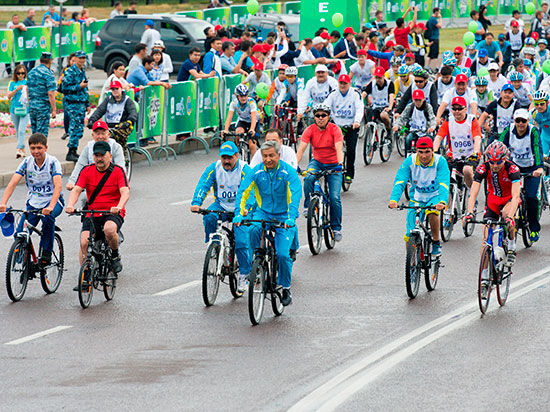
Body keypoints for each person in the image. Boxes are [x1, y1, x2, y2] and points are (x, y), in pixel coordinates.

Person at [233, 140, 302, 306]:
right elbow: (243, 192)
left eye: (271, 155)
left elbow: (295, 195)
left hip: (284, 215)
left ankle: (285, 287)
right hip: (263, 212)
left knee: (283, 255)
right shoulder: (256, 172)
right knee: (251, 230)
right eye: (265, 156)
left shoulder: (288, 172)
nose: (268, 159)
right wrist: (238, 215)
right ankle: (257, 259)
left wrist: (291, 217)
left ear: (278, 155)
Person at [191, 141, 252, 292]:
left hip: (241, 209)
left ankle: (244, 275)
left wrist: (244, 209)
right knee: (210, 215)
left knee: (242, 242)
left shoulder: (245, 169)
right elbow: (203, 184)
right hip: (222, 206)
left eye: (229, 158)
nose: (226, 161)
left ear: (237, 156)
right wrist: (196, 202)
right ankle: (214, 245)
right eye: (223, 157)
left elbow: (250, 191)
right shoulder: (214, 168)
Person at [66, 141, 129, 275]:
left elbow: (125, 192)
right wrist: (70, 205)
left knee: (110, 229)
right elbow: (77, 190)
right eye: (96, 155)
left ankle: (115, 255)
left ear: (110, 156)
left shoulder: (118, 171)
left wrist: (119, 206)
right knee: (84, 242)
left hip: (112, 211)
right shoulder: (87, 170)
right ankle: (86, 275)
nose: (99, 158)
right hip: (93, 212)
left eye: (102, 155)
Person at [0, 133, 63, 266]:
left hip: (53, 201)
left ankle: (46, 253)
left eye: (39, 148)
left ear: (46, 147)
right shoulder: (26, 162)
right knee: (20, 233)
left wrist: (51, 206)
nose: (36, 151)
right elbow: (12, 183)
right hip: (33, 203)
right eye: (33, 148)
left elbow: (58, 185)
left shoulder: (52, 162)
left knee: (48, 219)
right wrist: (3, 203)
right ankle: (25, 262)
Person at [464, 141, 521, 280]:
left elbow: (516, 196)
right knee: (485, 240)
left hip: (509, 200)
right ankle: (484, 278)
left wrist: (510, 217)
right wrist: (469, 213)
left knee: (507, 214)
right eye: (492, 162)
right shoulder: (483, 168)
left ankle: (512, 245)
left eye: (498, 162)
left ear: (504, 159)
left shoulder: (512, 169)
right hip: (493, 201)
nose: (495, 166)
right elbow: (473, 193)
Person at [389, 137, 450, 257]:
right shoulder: (409, 161)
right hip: (417, 197)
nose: (423, 156)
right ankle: (412, 264)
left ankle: (436, 242)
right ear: (416, 151)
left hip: (435, 196)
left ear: (432, 150)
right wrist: (394, 199)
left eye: (427, 151)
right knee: (409, 235)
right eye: (420, 152)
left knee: (432, 213)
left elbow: (444, 183)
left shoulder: (440, 161)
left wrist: (443, 201)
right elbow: (400, 181)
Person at [296, 104, 344, 240]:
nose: (320, 118)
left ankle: (336, 228)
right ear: (314, 117)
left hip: (334, 164)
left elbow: (339, 148)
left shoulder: (335, 130)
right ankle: (308, 206)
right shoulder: (309, 130)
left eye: (323, 115)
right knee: (309, 177)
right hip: (317, 162)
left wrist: (340, 164)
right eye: (317, 115)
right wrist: (294, 165)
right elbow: (301, 149)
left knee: (334, 197)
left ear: (329, 117)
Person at [498, 109, 544, 242]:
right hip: (514, 167)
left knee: (531, 197)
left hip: (531, 168)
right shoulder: (508, 130)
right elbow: (500, 145)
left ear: (528, 121)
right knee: (509, 196)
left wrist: (539, 167)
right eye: (518, 120)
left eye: (523, 120)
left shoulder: (533, 131)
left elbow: (537, 148)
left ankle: (534, 228)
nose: (520, 123)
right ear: (514, 120)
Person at [434, 96, 482, 189]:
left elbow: (477, 138)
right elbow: (438, 138)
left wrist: (475, 152)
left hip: (470, 156)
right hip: (454, 156)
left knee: (467, 170)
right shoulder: (448, 121)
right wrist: (435, 151)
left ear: (465, 109)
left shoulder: (471, 120)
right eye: (454, 109)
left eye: (460, 109)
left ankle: (471, 194)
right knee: (443, 178)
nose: (457, 111)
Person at [326, 74, 364, 184]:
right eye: (341, 83)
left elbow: (359, 108)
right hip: (337, 125)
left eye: (345, 83)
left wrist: (357, 121)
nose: (342, 85)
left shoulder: (355, 94)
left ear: (349, 84)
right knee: (330, 147)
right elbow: (327, 106)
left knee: (351, 149)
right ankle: (329, 169)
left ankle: (349, 174)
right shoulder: (333, 93)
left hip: (351, 126)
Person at [67, 120, 125, 191]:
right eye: (97, 134)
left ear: (108, 134)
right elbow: (80, 165)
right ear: (93, 135)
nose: (100, 137)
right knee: (85, 197)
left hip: (111, 182)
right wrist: (72, 181)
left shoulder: (115, 147)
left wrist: (122, 185)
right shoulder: (88, 147)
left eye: (103, 133)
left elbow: (121, 167)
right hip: (93, 183)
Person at [87, 81, 138, 152]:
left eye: (117, 89)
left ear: (121, 89)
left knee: (117, 137)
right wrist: (92, 120)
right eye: (113, 89)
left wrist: (129, 121)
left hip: (124, 125)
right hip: (110, 126)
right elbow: (99, 111)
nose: (115, 91)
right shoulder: (108, 99)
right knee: (100, 136)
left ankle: (122, 156)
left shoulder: (127, 100)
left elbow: (133, 112)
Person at [61, 50, 90, 162]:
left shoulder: (82, 71)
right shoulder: (70, 72)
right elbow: (65, 88)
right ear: (75, 58)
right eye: (80, 58)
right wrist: (79, 86)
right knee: (74, 128)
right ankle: (71, 151)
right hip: (73, 104)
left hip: (81, 103)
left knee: (79, 129)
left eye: (84, 58)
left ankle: (74, 150)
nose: (82, 60)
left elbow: (85, 89)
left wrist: (87, 104)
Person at [27, 52, 56, 138]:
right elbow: (51, 93)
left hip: (33, 106)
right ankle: (40, 151)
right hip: (43, 107)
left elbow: (28, 88)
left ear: (40, 60)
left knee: (35, 133)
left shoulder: (31, 72)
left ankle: (34, 150)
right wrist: (54, 109)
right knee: (42, 135)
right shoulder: (48, 74)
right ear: (50, 61)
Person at [363, 66, 395, 135]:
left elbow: (391, 96)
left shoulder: (390, 84)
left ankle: (389, 130)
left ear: (383, 76)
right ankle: (372, 134)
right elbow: (364, 93)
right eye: (376, 77)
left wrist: (390, 107)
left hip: (385, 107)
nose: (377, 80)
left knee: (383, 115)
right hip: (375, 107)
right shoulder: (372, 83)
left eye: (379, 78)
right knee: (367, 111)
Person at [7, 64, 30, 159]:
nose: (20, 75)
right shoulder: (12, 83)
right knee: (18, 131)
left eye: (23, 73)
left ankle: (19, 149)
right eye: (18, 73)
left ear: (25, 74)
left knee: (21, 130)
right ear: (15, 74)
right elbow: (9, 95)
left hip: (25, 110)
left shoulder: (28, 82)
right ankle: (23, 150)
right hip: (14, 109)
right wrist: (17, 89)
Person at [532, 90, 550, 155]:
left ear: (547, 102)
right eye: (536, 104)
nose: (539, 106)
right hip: (545, 137)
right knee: (543, 158)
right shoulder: (534, 114)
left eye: (542, 104)